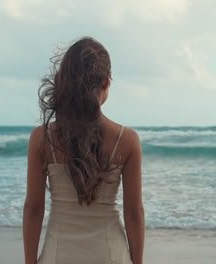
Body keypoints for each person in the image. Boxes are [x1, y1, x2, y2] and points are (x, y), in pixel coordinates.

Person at [23, 36, 145, 264]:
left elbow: (33, 209)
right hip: (112, 256)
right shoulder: (127, 140)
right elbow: (134, 213)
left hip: (58, 256)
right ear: (107, 82)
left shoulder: (42, 138)